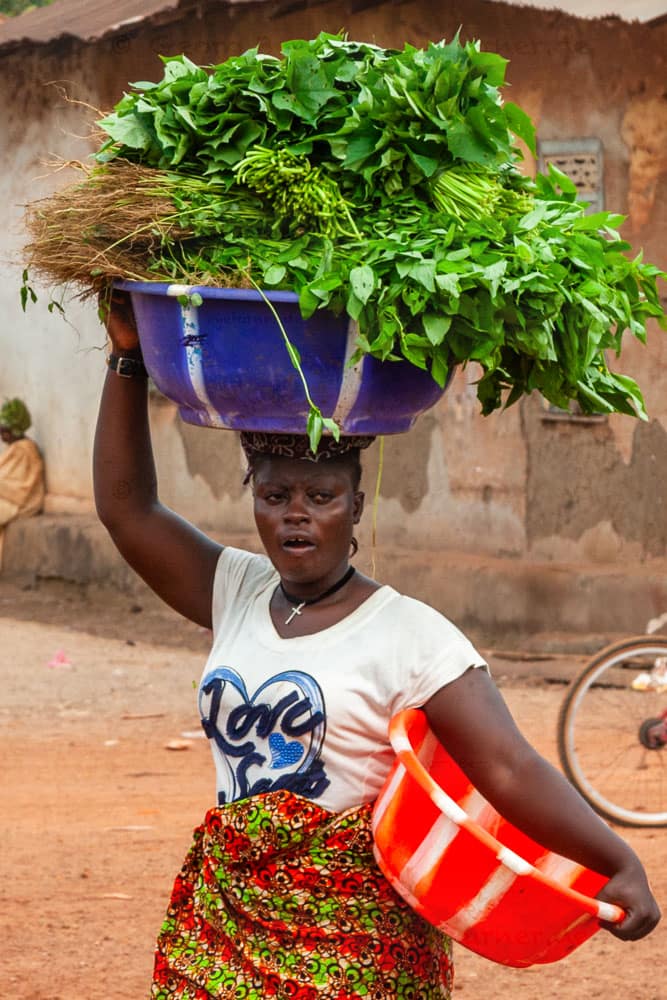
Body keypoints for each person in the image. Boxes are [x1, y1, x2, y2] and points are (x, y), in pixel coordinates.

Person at [95, 291, 660, 1000]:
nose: (295, 515)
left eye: (320, 497)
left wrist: (614, 857)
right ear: (254, 501)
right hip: (228, 915)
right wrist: (125, 355)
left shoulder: (410, 636)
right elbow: (126, 509)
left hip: (354, 937)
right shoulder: (235, 591)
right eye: (275, 498)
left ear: (356, 505)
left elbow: (509, 768)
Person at [0, 397, 45, 564]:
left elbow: (21, 488)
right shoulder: (15, 448)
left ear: (16, 430)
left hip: (23, 503)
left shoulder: (25, 450)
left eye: (5, 431)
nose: (2, 436)